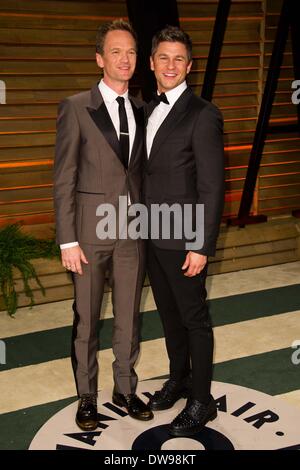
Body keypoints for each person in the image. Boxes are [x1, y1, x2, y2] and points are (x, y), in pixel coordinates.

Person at [54, 19, 153, 431]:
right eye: (116, 51)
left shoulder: (144, 107)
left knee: (130, 316)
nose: (124, 59)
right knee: (88, 318)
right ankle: (87, 396)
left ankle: (125, 388)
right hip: (89, 235)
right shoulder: (76, 107)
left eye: (130, 51)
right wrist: (67, 240)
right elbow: (64, 177)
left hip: (132, 232)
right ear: (100, 58)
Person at [144, 26, 224, 437]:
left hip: (185, 237)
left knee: (195, 320)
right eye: (164, 57)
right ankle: (179, 380)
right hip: (151, 234)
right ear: (152, 62)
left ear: (189, 66)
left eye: (179, 59)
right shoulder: (146, 109)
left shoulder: (203, 114)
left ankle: (202, 400)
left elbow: (212, 186)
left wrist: (201, 245)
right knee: (169, 315)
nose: (170, 65)